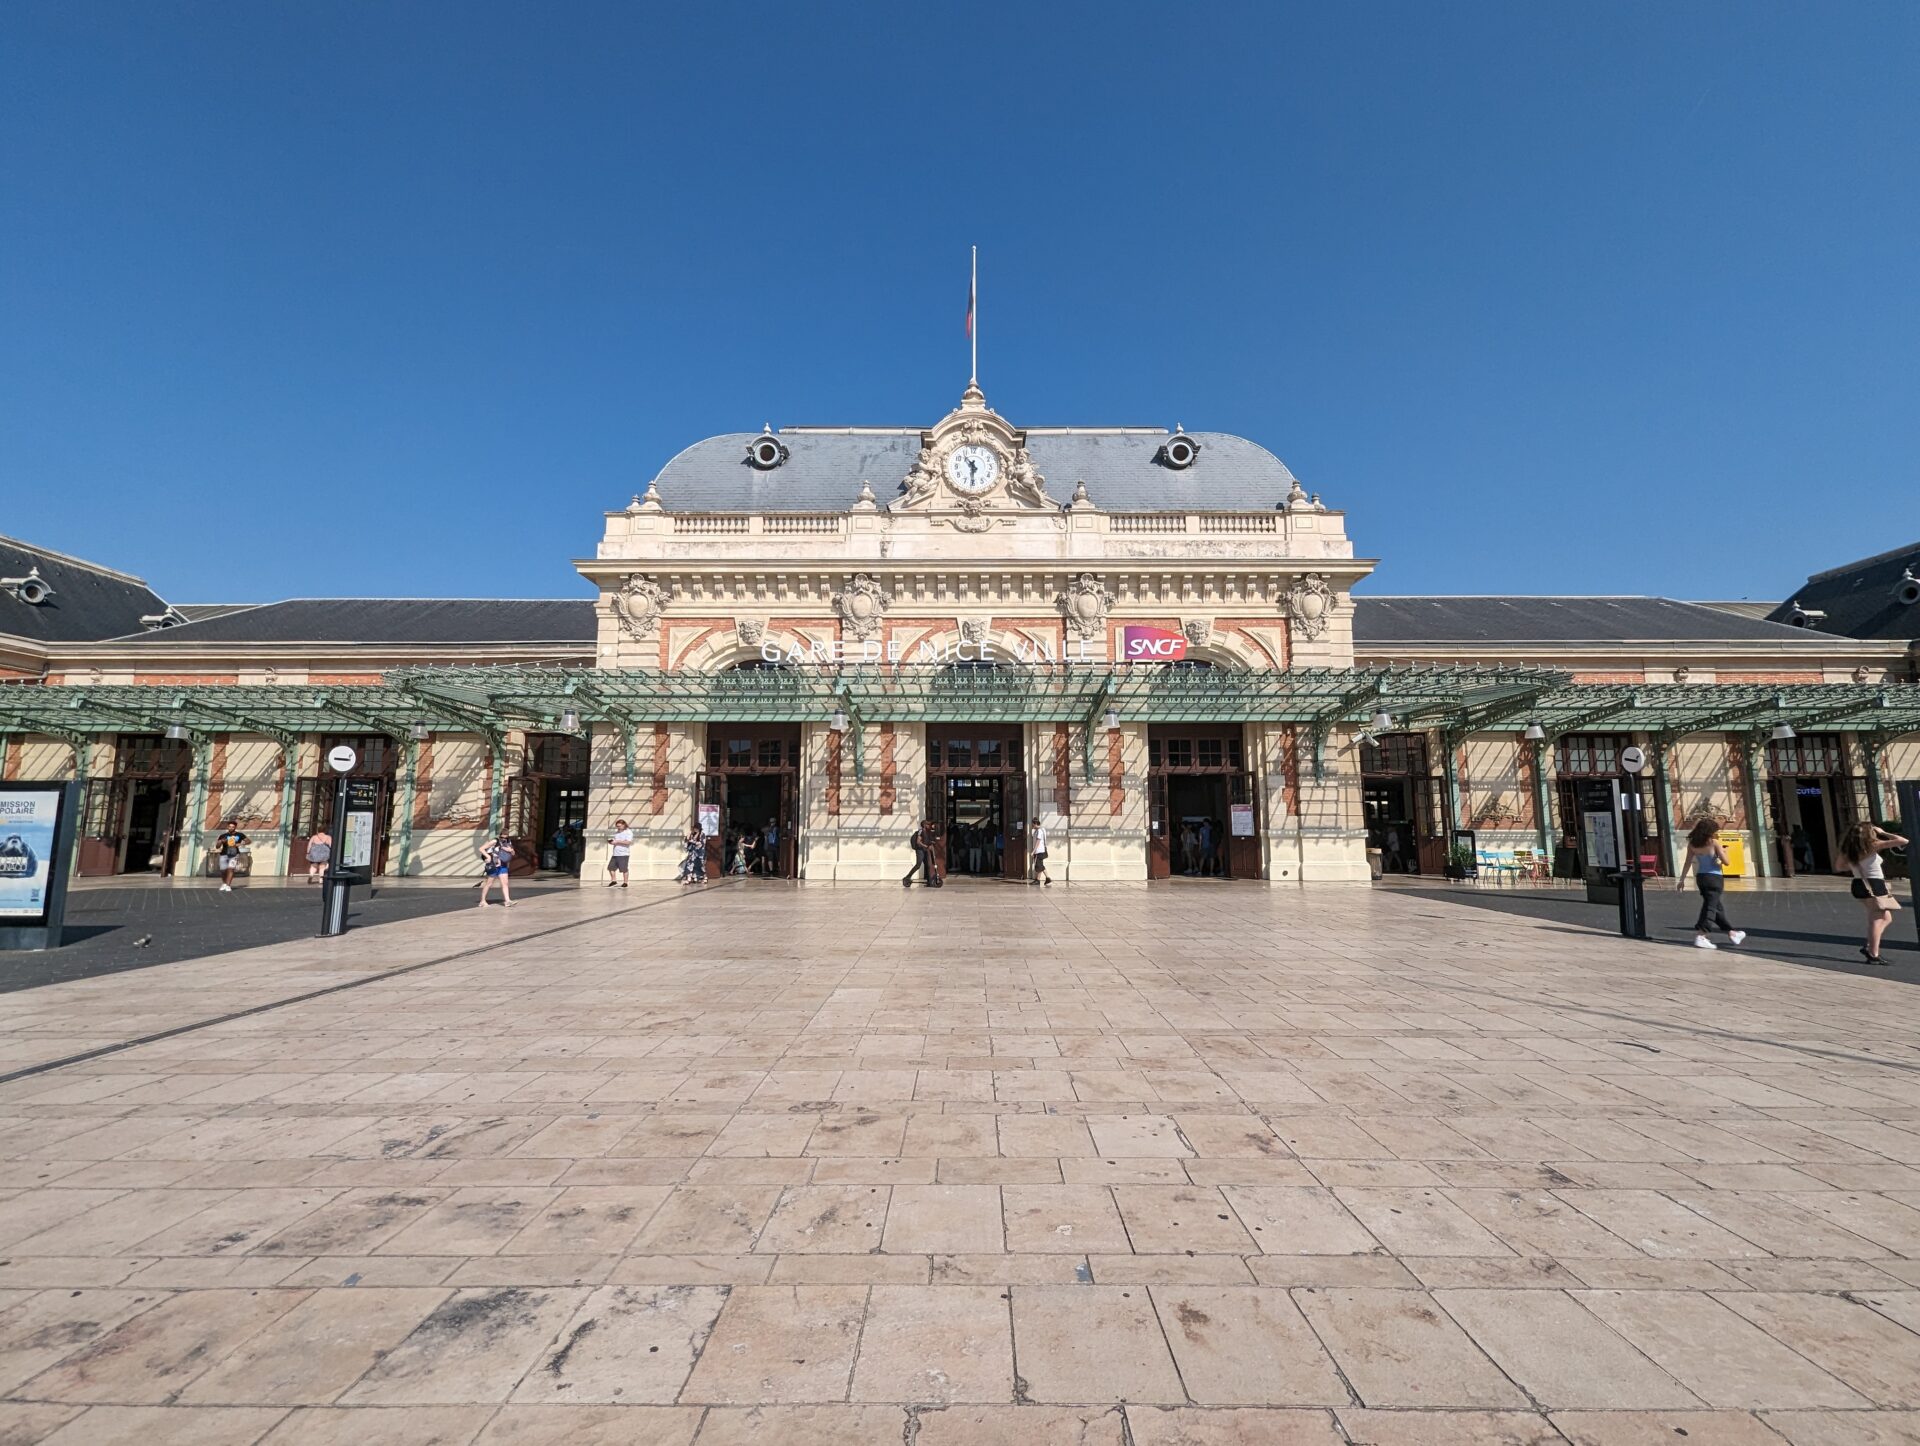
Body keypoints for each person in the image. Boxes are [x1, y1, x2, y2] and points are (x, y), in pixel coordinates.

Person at [1839, 821, 1908, 966]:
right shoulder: (1872, 845)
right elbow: (1902, 841)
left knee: (1882, 917)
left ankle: (1870, 947)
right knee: (1879, 919)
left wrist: (1855, 863)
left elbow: (1839, 866)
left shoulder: (1848, 849)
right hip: (1873, 883)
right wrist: (1882, 832)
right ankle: (1873, 953)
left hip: (1858, 883)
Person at [1675, 819, 1745, 950]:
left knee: (1716, 908)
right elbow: (1727, 862)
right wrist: (1725, 852)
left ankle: (1732, 933)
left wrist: (1682, 880)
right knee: (1711, 908)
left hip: (1701, 877)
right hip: (1714, 878)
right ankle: (1702, 935)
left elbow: (1687, 863)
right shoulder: (1714, 843)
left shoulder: (1692, 844)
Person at [478, 834, 514, 908]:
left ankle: (507, 901)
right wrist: (488, 856)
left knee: (505, 883)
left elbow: (513, 853)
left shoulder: (508, 843)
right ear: (499, 836)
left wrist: (511, 850)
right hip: (494, 865)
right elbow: (481, 848)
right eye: (502, 837)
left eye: (505, 837)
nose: (503, 839)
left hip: (503, 865)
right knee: (489, 883)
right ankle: (482, 901)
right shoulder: (495, 841)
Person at [213, 819, 249, 892]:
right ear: (227, 827)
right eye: (230, 826)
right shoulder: (223, 835)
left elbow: (248, 841)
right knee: (223, 870)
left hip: (234, 854)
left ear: (235, 827)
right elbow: (217, 846)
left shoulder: (240, 835)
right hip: (224, 853)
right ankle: (224, 883)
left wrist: (240, 844)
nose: (231, 828)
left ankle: (228, 885)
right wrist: (220, 841)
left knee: (231, 869)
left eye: (233, 827)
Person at [606, 818, 632, 888]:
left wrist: (617, 841)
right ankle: (614, 880)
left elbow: (628, 842)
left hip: (623, 853)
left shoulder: (628, 832)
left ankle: (625, 882)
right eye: (617, 826)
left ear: (624, 825)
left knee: (624, 869)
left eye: (619, 826)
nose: (618, 827)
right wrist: (612, 842)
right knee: (610, 868)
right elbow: (616, 841)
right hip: (615, 853)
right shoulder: (617, 832)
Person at [1031, 819, 1052, 886]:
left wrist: (1033, 851)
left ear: (1035, 824)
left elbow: (1038, 842)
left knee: (1039, 865)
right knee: (1040, 865)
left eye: (1032, 824)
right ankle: (1047, 879)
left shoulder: (1039, 831)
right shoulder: (1040, 830)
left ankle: (1039, 880)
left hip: (1039, 851)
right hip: (1040, 850)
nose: (1032, 825)